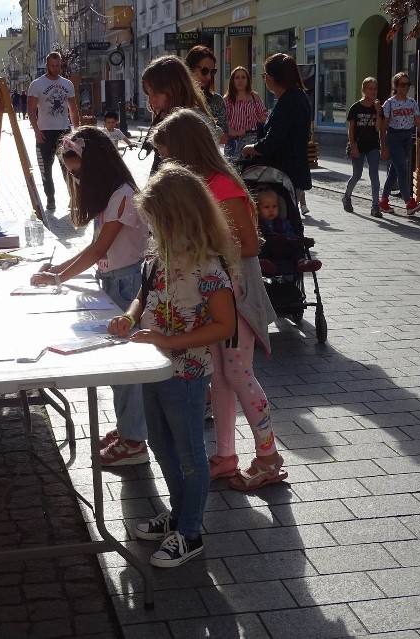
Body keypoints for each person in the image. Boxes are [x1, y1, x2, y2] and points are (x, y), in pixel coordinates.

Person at [110, 162, 238, 567]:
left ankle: (190, 531)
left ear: (179, 217)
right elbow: (143, 298)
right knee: (162, 446)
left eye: (156, 222)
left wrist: (170, 340)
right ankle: (179, 514)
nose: (152, 231)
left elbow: (224, 325)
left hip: (185, 373)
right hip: (151, 366)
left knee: (189, 454)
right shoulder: (157, 257)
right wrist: (130, 317)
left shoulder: (208, 265)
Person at [151, 108, 286, 491]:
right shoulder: (203, 182)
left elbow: (245, 243)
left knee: (239, 373)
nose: (164, 162)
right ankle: (226, 456)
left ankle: (268, 457)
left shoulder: (221, 185)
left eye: (167, 155)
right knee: (223, 377)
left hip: (236, 294)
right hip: (217, 291)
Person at [29, 127, 149, 466]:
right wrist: (56, 273)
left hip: (127, 285)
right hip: (113, 280)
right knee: (118, 367)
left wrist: (58, 276)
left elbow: (99, 248)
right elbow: (93, 249)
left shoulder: (122, 194)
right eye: (70, 173)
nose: (76, 179)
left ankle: (135, 441)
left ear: (96, 164)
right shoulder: (110, 194)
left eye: (78, 171)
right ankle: (129, 427)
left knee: (127, 368)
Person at [242, 54, 313, 216]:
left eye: (265, 75)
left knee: (283, 218)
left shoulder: (289, 101)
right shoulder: (297, 96)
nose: (265, 79)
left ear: (273, 77)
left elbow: (271, 143)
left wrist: (249, 149)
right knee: (290, 217)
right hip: (292, 171)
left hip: (284, 173)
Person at [140, 55, 215, 174]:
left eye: (156, 93)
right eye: (148, 94)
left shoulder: (195, 122)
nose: (151, 101)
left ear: (175, 88)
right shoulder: (163, 117)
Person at [28, 51, 79, 210]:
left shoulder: (67, 84)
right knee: (46, 168)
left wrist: (76, 131)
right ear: (47, 65)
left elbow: (73, 108)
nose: (56, 69)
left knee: (69, 167)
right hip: (45, 132)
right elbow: (31, 110)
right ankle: (50, 197)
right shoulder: (37, 84)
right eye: (52, 66)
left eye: (58, 66)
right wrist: (36, 131)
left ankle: (74, 197)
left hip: (64, 131)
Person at [378, 72, 420, 215]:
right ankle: (409, 203)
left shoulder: (412, 103)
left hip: (407, 137)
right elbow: (383, 126)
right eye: (402, 85)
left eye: (408, 84)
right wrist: (383, 146)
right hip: (394, 137)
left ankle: (383, 201)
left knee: (394, 171)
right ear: (396, 86)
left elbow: (418, 120)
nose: (406, 87)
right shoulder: (390, 103)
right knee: (402, 169)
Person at [343, 78, 384, 218]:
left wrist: (378, 111)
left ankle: (375, 206)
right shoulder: (355, 107)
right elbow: (351, 129)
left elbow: (378, 128)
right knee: (357, 174)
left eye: (375, 89)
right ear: (364, 90)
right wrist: (353, 146)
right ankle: (347, 197)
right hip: (358, 146)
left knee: (374, 174)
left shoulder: (378, 107)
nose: (373, 91)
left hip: (372, 145)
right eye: (370, 88)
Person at [255, 188, 321, 273]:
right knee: (260, 247)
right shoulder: (257, 224)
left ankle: (302, 261)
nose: (271, 210)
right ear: (258, 209)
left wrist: (294, 240)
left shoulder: (284, 223)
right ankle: (263, 262)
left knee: (295, 247)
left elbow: (291, 235)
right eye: (266, 207)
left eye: (274, 206)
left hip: (283, 247)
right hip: (268, 247)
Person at [185, 46, 228, 145]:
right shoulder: (175, 96)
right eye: (204, 70)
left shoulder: (216, 100)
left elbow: (223, 137)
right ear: (190, 68)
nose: (209, 77)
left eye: (212, 72)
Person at [223, 66, 268, 159]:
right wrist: (237, 133)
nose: (240, 80)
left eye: (243, 77)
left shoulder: (254, 96)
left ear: (248, 80)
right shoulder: (227, 99)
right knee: (234, 170)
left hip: (252, 139)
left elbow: (263, 117)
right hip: (234, 141)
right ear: (232, 81)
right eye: (237, 78)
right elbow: (224, 123)